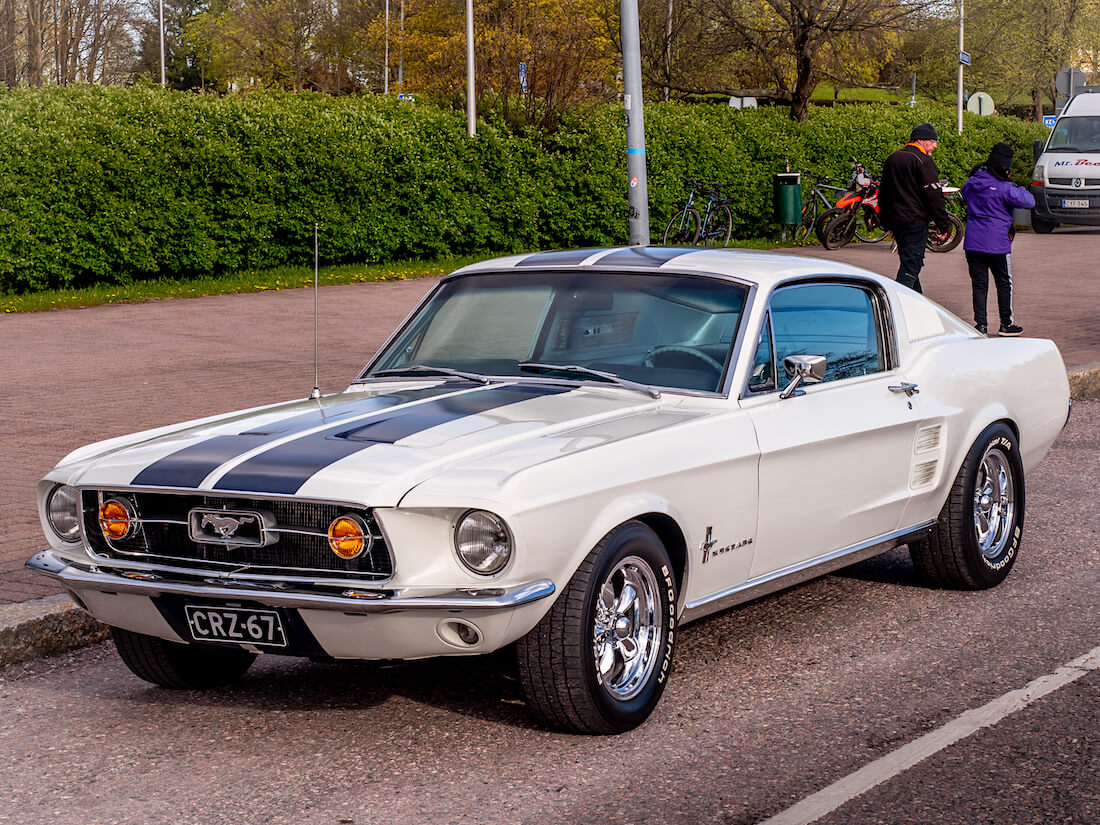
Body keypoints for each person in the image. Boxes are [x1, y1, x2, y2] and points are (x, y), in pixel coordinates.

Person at [960, 142, 1035, 336]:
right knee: (1003, 282)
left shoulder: (971, 183)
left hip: (973, 241)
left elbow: (965, 194)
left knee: (979, 284)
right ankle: (1005, 324)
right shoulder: (1005, 188)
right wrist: (1018, 186)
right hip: (996, 244)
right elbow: (1029, 201)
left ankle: (981, 326)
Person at [879, 123, 952, 294]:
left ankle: (918, 304)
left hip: (897, 223)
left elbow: (883, 193)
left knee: (909, 262)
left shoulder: (893, 158)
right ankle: (898, 301)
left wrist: (886, 224)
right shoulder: (923, 161)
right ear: (920, 140)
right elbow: (934, 197)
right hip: (915, 223)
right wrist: (943, 225)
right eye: (932, 141)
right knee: (910, 268)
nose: (935, 145)